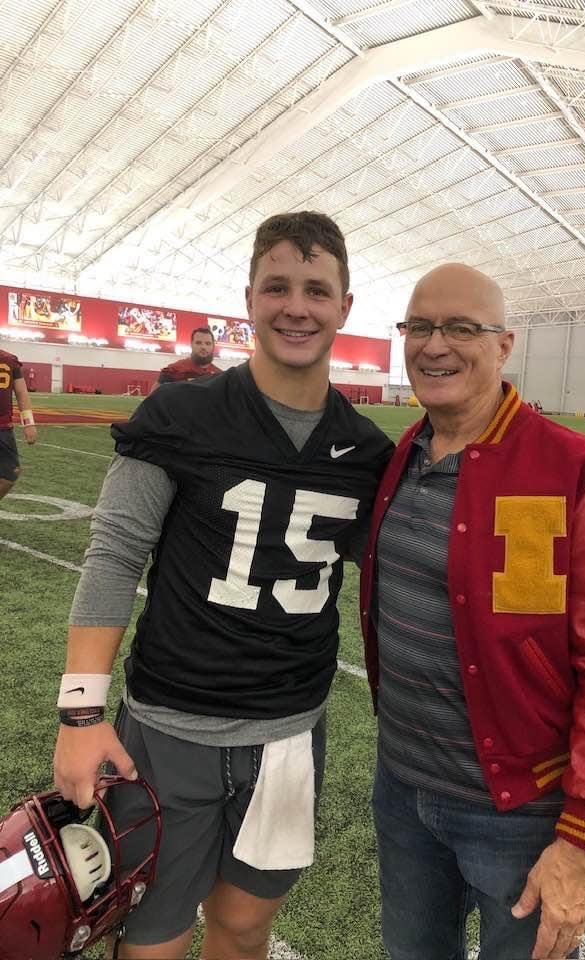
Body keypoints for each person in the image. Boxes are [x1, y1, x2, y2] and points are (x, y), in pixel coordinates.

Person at [53, 211, 394, 960]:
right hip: (171, 727)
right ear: (249, 299)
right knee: (152, 938)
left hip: (291, 732)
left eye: (315, 289)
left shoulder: (368, 451)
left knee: (243, 926)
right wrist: (79, 717)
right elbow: (113, 557)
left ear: (345, 307)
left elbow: (401, 578)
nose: (295, 306)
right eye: (277, 286)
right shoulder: (181, 413)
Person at [360, 264, 585, 960]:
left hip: (520, 813)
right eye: (420, 327)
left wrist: (583, 842)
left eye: (462, 328)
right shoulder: (401, 455)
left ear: (504, 345)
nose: (436, 345)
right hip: (403, 789)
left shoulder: (580, 475)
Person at [0, 347, 38, 500]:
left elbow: (21, 393)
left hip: (3, 428)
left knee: (11, 474)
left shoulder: (9, 359)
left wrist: (29, 424)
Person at [150, 325, 222, 391]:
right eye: (198, 343)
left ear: (213, 346)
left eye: (208, 343)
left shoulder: (219, 375)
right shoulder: (174, 370)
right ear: (191, 345)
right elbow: (152, 399)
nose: (203, 347)